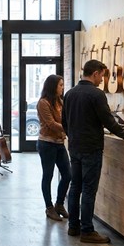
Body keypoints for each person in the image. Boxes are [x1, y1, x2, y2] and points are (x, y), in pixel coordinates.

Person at [62, 60, 124, 244]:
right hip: (91, 148)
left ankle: (73, 226)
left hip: (74, 147)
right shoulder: (96, 94)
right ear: (95, 73)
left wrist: (72, 136)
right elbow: (109, 121)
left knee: (75, 187)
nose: (102, 80)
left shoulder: (70, 94)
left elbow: (64, 121)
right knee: (89, 189)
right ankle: (87, 230)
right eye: (102, 75)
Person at [37, 74, 71, 222]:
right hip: (47, 144)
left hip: (59, 143)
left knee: (68, 175)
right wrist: (69, 129)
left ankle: (59, 204)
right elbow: (51, 124)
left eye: (63, 85)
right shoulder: (43, 103)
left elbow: (66, 119)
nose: (62, 88)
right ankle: (49, 208)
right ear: (53, 86)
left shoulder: (60, 102)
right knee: (48, 175)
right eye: (60, 85)